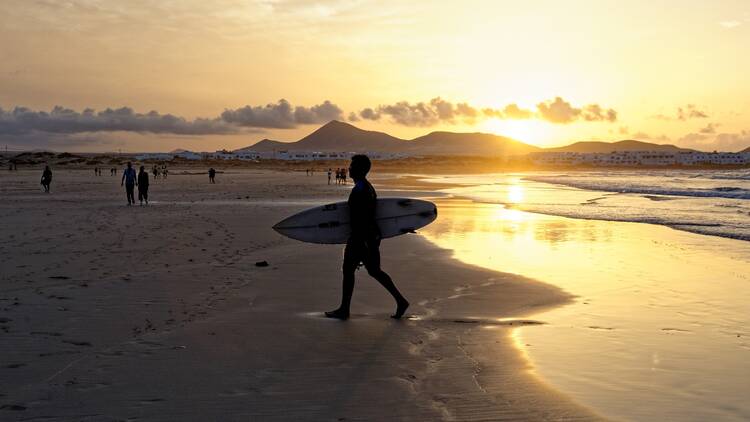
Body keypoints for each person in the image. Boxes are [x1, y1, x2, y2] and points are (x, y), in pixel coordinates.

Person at [325, 155, 409, 320]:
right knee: (374, 271)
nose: (349, 168)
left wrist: (362, 241)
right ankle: (400, 301)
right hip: (368, 236)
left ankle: (344, 310)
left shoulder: (361, 189)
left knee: (350, 270)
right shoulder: (366, 187)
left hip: (361, 237)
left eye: (353, 165)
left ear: (361, 169)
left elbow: (362, 217)